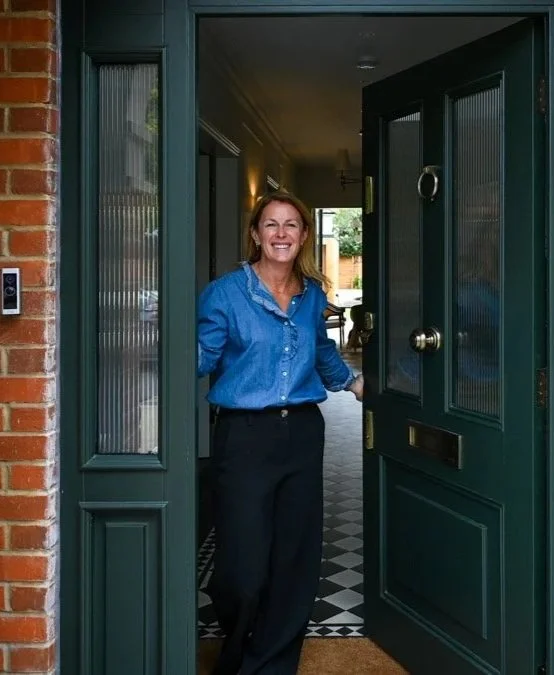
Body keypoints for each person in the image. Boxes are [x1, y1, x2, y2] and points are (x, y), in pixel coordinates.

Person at [196, 190, 364, 675]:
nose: (281, 234)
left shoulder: (312, 295)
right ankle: (237, 646)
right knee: (241, 568)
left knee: (294, 557)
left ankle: (270, 663)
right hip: (244, 436)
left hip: (303, 436)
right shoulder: (225, 293)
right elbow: (202, 356)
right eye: (271, 224)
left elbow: (320, 350)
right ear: (255, 234)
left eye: (292, 224)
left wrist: (353, 383)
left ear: (305, 235)